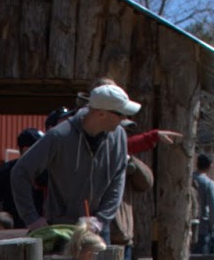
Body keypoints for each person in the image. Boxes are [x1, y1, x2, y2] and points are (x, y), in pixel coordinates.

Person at [10, 81, 139, 235]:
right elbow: (20, 172)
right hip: (61, 229)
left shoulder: (119, 136)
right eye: (120, 114)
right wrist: (31, 219)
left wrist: (101, 220)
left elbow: (117, 181)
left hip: (98, 230)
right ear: (101, 113)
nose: (124, 118)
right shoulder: (59, 136)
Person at [190, 153, 214, 260]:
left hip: (187, 226)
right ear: (210, 166)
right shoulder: (208, 183)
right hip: (202, 228)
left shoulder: (189, 179)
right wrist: (212, 226)